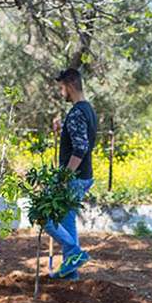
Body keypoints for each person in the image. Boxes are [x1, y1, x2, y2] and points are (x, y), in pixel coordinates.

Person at [47, 68, 98, 280]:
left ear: (69, 85)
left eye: (61, 88)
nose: (61, 93)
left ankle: (75, 254)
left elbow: (80, 148)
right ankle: (71, 274)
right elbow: (78, 140)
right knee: (68, 224)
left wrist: (63, 177)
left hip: (74, 178)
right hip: (83, 175)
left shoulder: (77, 112)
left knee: (45, 216)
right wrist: (62, 130)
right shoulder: (88, 110)